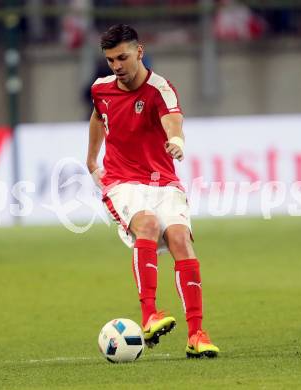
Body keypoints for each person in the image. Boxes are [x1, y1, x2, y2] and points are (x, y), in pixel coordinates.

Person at [86, 24, 219, 358]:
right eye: (110, 59)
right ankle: (149, 316)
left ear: (139, 52)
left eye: (122, 57)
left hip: (162, 181)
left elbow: (174, 120)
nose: (116, 66)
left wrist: (175, 141)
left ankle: (197, 335)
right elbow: (98, 117)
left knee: (180, 238)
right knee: (147, 224)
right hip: (121, 181)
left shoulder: (161, 89)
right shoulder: (101, 89)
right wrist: (91, 161)